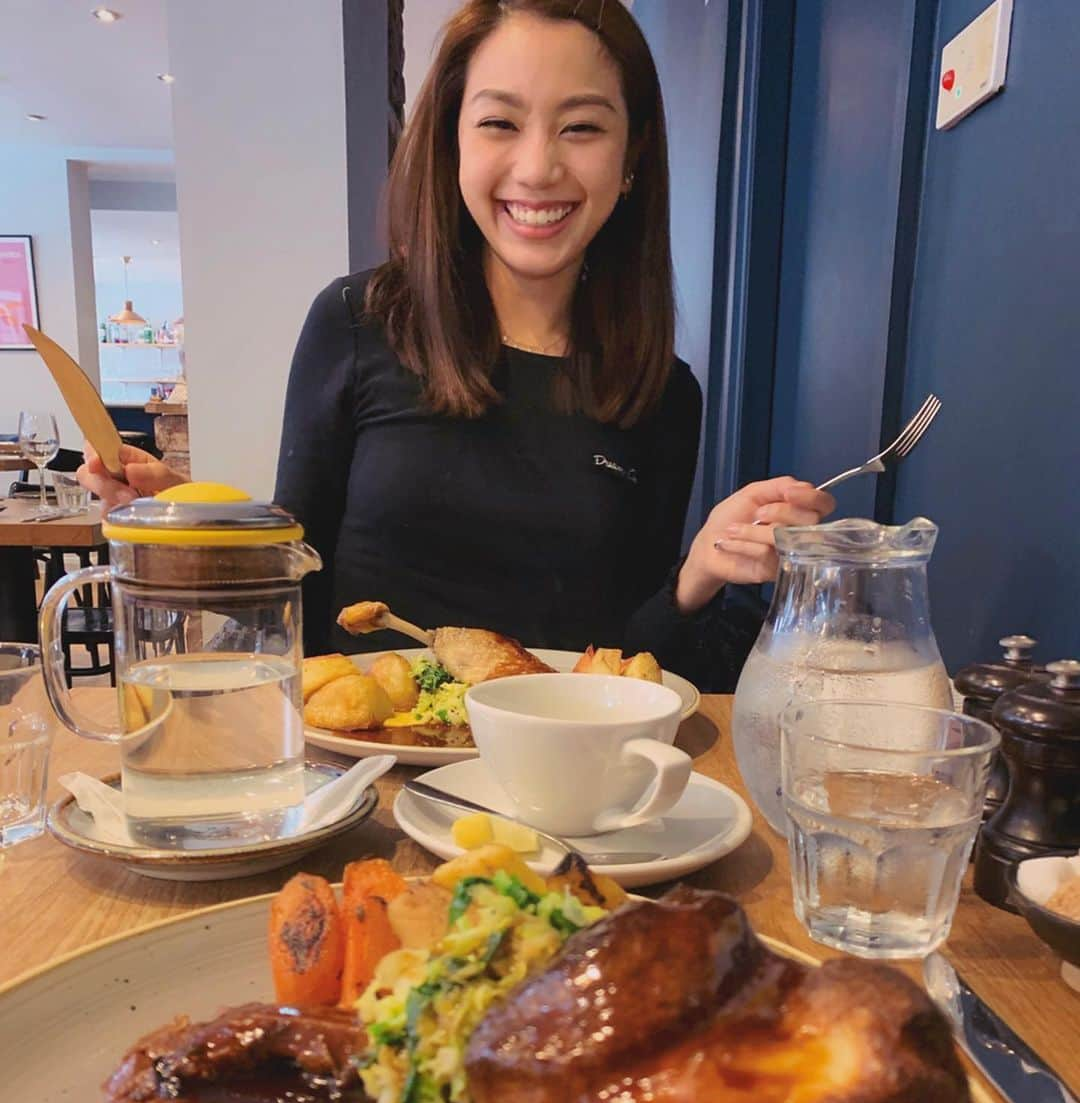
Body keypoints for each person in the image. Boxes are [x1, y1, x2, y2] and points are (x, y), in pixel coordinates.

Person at [81, 0, 833, 689]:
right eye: (500, 123)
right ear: (450, 142)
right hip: (365, 782)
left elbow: (625, 663)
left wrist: (696, 575)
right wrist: (191, 540)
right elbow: (295, 595)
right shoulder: (357, 322)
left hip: (555, 806)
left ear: (633, 155)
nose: (538, 168)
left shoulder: (662, 393)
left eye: (582, 127)